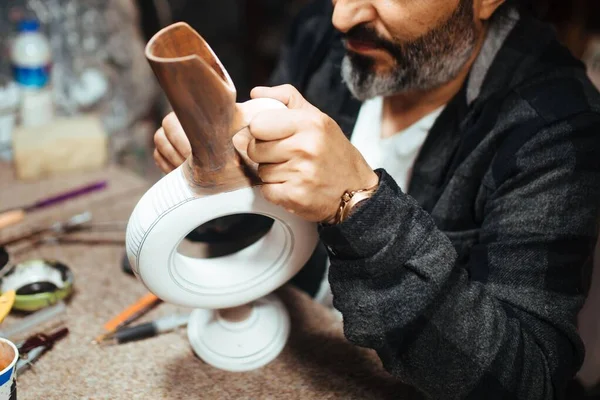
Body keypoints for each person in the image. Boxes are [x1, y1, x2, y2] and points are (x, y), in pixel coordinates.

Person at [153, 0, 600, 397]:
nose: (341, 16)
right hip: (301, 350)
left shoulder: (558, 126)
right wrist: (219, 173)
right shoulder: (325, 33)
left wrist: (359, 205)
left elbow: (526, 379)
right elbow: (259, 221)